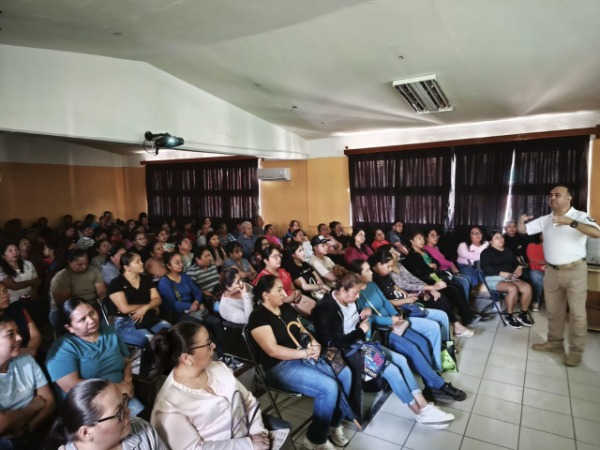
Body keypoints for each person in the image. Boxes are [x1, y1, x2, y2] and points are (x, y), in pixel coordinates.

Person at [312, 273, 456, 430]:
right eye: (355, 293)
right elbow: (338, 342)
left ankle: (424, 407)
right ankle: (418, 412)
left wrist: (366, 311)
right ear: (342, 291)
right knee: (391, 370)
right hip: (346, 352)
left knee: (401, 360)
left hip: (361, 344)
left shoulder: (350, 300)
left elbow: (356, 319)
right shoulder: (326, 308)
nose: (358, 296)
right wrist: (361, 330)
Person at [248, 275, 354, 450]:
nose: (284, 293)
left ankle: (334, 424)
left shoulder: (285, 308)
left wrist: (315, 343)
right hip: (279, 366)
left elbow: (302, 330)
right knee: (328, 387)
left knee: (345, 373)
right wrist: (304, 353)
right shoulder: (258, 317)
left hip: (303, 355)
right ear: (266, 295)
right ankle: (315, 439)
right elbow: (272, 350)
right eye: (279, 290)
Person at [349, 259, 465, 403]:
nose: (371, 272)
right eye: (367, 270)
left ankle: (430, 387)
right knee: (413, 349)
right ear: (357, 275)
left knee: (422, 342)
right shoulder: (357, 295)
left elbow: (385, 301)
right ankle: (441, 384)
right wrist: (390, 321)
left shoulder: (372, 284)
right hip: (383, 331)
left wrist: (396, 316)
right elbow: (369, 319)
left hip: (394, 322)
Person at [151, 321, 270, 450]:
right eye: (207, 344)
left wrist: (258, 432)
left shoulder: (218, 368)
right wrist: (249, 444)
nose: (214, 345)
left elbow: (248, 401)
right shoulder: (168, 404)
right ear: (187, 358)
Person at [519, 185, 600, 366]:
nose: (553, 198)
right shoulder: (546, 219)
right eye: (551, 195)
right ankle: (554, 342)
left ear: (569, 198)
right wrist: (520, 221)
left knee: (577, 314)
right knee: (554, 311)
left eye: (557, 195)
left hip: (575, 271)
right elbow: (523, 230)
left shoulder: (580, 216)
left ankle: (576, 351)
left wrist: (570, 222)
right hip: (552, 272)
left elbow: (597, 233)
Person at [45, 298, 144, 415]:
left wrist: (128, 383)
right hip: (89, 405)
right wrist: (115, 388)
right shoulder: (63, 348)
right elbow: (71, 386)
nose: (91, 320)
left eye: (92, 313)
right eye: (82, 319)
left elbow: (126, 361)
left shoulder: (109, 332)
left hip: (122, 394)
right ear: (69, 327)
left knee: (144, 419)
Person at [358, 255, 448, 370]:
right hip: (396, 315)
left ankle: (442, 356)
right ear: (379, 264)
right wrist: (403, 305)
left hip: (398, 313)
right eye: (388, 266)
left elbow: (393, 294)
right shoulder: (368, 286)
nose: (390, 269)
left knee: (441, 315)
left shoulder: (380, 279)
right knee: (430, 329)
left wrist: (405, 300)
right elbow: (381, 308)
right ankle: (436, 366)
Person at [46, 379, 167, 450]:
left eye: (124, 402)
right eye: (119, 413)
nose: (129, 411)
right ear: (86, 433)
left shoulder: (143, 430)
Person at [108, 252, 172, 375]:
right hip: (126, 322)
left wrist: (145, 308)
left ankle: (166, 368)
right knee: (151, 339)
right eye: (137, 262)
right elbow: (125, 308)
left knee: (169, 331)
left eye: (141, 260)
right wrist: (148, 306)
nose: (142, 263)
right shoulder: (116, 283)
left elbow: (157, 299)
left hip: (147, 317)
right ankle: (144, 374)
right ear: (127, 267)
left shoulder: (145, 279)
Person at [403, 232, 480, 335]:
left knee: (458, 286)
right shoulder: (413, 256)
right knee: (452, 289)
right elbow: (427, 272)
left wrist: (434, 269)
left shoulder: (423, 251)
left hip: (433, 277)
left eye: (422, 238)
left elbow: (436, 264)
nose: (422, 240)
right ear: (412, 241)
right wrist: (438, 281)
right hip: (426, 281)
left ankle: (467, 316)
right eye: (419, 238)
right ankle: (462, 320)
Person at [0, 315, 55, 450]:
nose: (19, 337)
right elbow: (2, 425)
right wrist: (34, 406)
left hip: (33, 427)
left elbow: (49, 401)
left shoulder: (26, 359)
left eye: (18, 332)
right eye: (10, 334)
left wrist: (27, 428)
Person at [480, 231, 534, 329]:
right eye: (496, 237)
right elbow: (485, 268)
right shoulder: (486, 252)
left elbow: (516, 264)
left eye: (501, 237)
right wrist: (501, 273)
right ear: (491, 242)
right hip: (493, 279)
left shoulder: (508, 251)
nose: (500, 239)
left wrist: (519, 268)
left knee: (527, 288)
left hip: (509, 278)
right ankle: (509, 316)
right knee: (512, 288)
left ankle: (523, 314)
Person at [49, 249, 106, 330]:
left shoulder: (93, 271)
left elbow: (102, 292)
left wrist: (101, 305)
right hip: (67, 310)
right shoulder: (61, 277)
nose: (84, 267)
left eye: (86, 263)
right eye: (80, 264)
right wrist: (85, 312)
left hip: (91, 306)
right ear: (69, 263)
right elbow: (65, 304)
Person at [252, 246, 316, 317]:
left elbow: (293, 289)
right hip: (282, 311)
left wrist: (297, 292)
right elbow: (267, 302)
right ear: (266, 261)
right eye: (275, 256)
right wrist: (287, 299)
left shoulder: (283, 272)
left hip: (296, 302)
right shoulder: (262, 278)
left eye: (279, 256)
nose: (279, 259)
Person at [424, 228, 471, 298]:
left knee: (468, 279)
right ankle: (463, 303)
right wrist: (451, 264)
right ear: (426, 238)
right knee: (464, 282)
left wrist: (451, 265)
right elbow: (439, 261)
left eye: (436, 235)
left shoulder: (436, 247)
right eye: (432, 235)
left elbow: (444, 260)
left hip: (447, 271)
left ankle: (464, 302)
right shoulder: (426, 248)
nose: (436, 237)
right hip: (442, 273)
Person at [0, 282, 41, 357]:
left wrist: (30, 350)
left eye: (5, 291)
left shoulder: (17, 308)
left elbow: (35, 335)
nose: (4, 295)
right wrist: (24, 352)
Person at [526, 234, 546, 312]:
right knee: (537, 278)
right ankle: (535, 301)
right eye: (543, 234)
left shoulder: (552, 246)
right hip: (536, 268)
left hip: (551, 268)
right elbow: (532, 259)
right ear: (539, 236)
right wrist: (547, 262)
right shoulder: (532, 245)